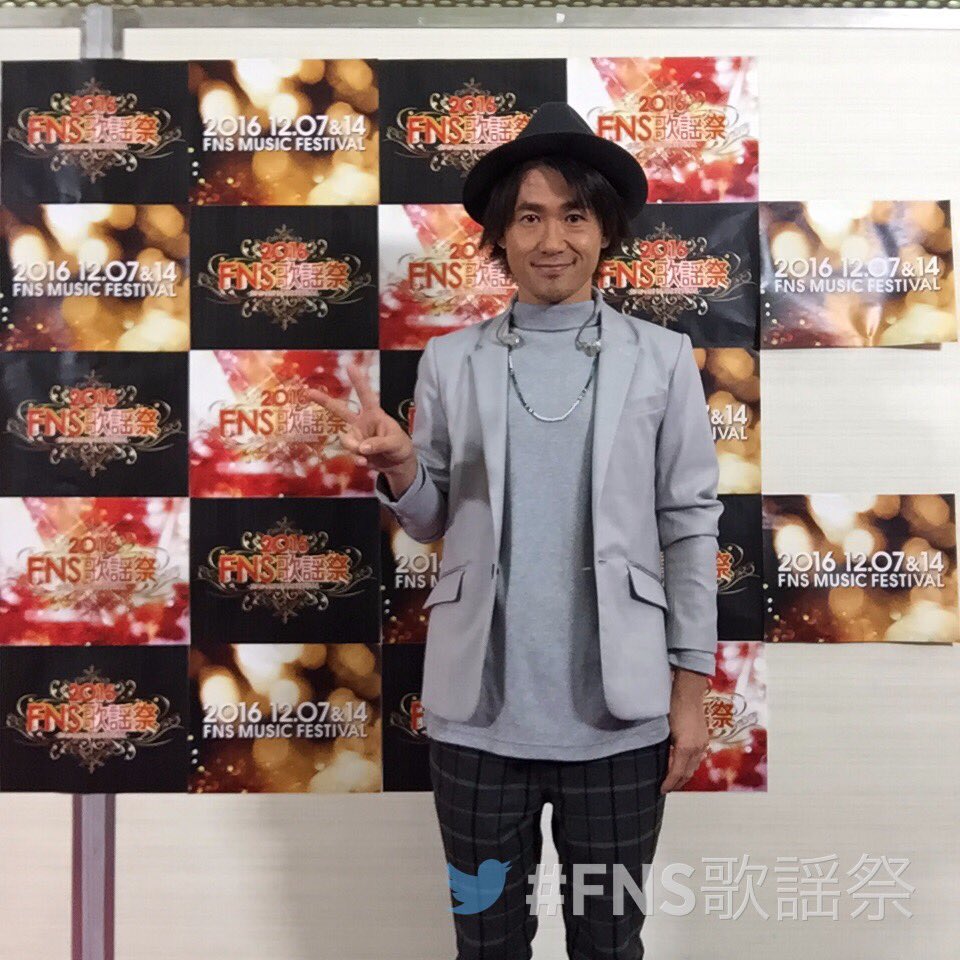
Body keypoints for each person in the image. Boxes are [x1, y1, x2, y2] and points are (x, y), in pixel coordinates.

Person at [308, 101, 723, 960]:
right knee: (486, 942)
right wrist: (400, 467)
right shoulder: (452, 360)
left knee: (610, 941)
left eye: (574, 216)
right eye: (529, 218)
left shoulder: (662, 357)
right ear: (500, 235)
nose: (551, 240)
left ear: (605, 230)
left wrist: (690, 691)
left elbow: (687, 527)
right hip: (478, 721)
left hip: (620, 721)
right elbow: (431, 518)